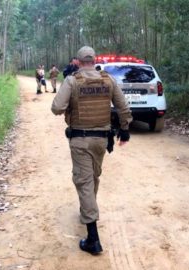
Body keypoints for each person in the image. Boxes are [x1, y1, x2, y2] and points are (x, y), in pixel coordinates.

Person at [51, 46, 132, 254]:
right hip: (102, 141)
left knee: (84, 181)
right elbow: (123, 107)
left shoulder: (73, 80)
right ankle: (87, 209)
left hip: (80, 140)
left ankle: (93, 238)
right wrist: (124, 130)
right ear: (93, 60)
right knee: (93, 177)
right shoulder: (108, 79)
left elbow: (56, 108)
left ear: (77, 62)